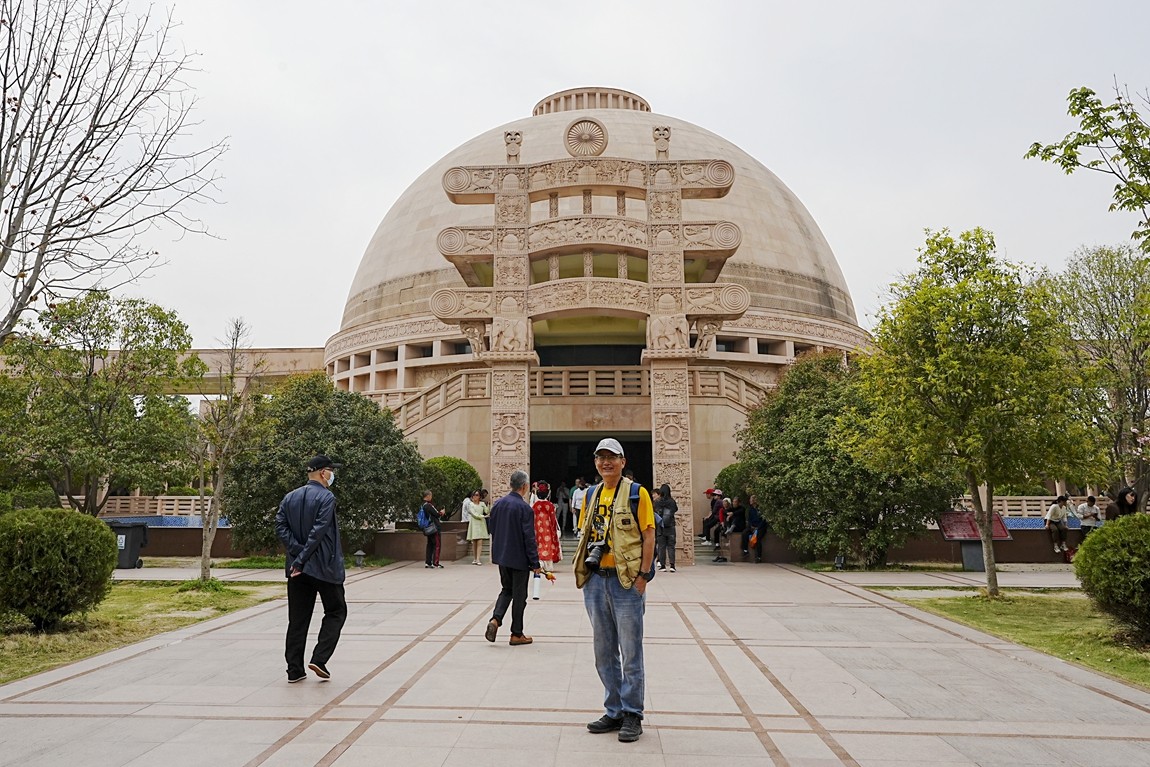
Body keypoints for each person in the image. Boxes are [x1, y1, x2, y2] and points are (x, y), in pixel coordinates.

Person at [574, 437, 656, 743]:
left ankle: (633, 713)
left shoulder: (638, 494)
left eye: (612, 457)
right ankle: (614, 710)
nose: (606, 462)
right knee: (603, 651)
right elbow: (586, 535)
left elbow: (649, 536)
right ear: (595, 462)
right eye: (600, 457)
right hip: (596, 581)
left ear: (622, 461)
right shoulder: (591, 494)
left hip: (625, 583)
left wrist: (644, 576)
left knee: (631, 651)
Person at [275, 455, 347, 684]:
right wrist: (303, 557)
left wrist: (296, 555)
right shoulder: (326, 497)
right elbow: (318, 532)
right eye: (331, 471)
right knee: (336, 611)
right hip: (324, 566)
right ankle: (320, 658)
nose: (332, 475)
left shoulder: (290, 497)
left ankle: (294, 670)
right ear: (323, 473)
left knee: (297, 619)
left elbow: (280, 526)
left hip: (298, 570)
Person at [485, 470, 542, 646]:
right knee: (519, 596)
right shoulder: (524, 508)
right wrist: (535, 562)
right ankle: (516, 633)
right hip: (519, 559)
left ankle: (496, 619)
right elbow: (529, 538)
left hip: (503, 556)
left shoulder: (498, 504)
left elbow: (491, 528)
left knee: (506, 589)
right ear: (524, 486)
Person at [533, 481, 562, 576]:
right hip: (548, 527)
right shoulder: (550, 505)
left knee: (539, 544)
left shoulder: (535, 505)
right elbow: (553, 519)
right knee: (547, 544)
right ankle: (548, 566)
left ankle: (539, 563)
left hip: (537, 527)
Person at [653, 483, 677, 572]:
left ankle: (662, 565)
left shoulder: (657, 502)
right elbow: (675, 509)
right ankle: (672, 565)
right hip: (670, 526)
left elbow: (654, 512)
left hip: (660, 527)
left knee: (661, 546)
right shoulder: (672, 501)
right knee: (671, 546)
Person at [420, 490, 446, 568]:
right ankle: (436, 563)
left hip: (428, 528)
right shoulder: (428, 505)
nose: (431, 497)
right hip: (434, 528)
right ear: (428, 496)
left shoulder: (422, 505)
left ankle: (428, 562)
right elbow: (437, 514)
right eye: (431, 496)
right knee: (437, 545)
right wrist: (442, 512)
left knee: (430, 545)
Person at [464, 489, 490, 564]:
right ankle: (475, 558)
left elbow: (487, 511)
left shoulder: (482, 504)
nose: (476, 496)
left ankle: (478, 559)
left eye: (477, 495)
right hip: (474, 523)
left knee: (480, 541)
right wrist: (483, 516)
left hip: (481, 524)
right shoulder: (470, 505)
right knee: (474, 542)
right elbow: (474, 514)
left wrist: (488, 506)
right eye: (474, 495)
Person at [743, 494, 767, 563]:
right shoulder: (750, 509)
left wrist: (758, 527)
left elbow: (763, 520)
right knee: (745, 533)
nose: (750, 501)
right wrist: (751, 526)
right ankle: (745, 551)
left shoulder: (760, 509)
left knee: (758, 538)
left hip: (760, 528)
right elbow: (749, 520)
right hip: (753, 527)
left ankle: (759, 557)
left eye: (751, 499)